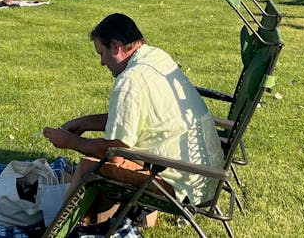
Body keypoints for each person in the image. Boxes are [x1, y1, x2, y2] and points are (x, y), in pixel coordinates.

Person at [43, 13, 224, 218]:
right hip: (205, 177)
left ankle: (58, 228)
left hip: (180, 185)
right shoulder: (156, 56)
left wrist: (72, 142)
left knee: (89, 166)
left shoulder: (130, 81)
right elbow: (131, 118)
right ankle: (112, 219)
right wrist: (85, 122)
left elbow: (115, 154)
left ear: (116, 46)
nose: (102, 62)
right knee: (101, 161)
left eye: (101, 53)